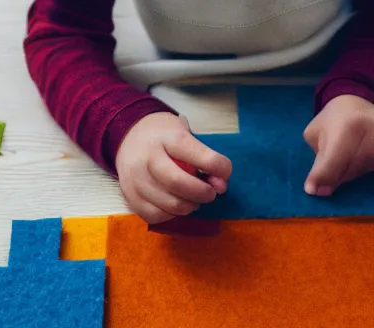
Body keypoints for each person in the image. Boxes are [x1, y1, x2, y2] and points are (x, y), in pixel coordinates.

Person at [24, 0, 374, 224]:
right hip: (180, 74)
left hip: (334, 56)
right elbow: (61, 35)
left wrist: (361, 84)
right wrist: (124, 125)